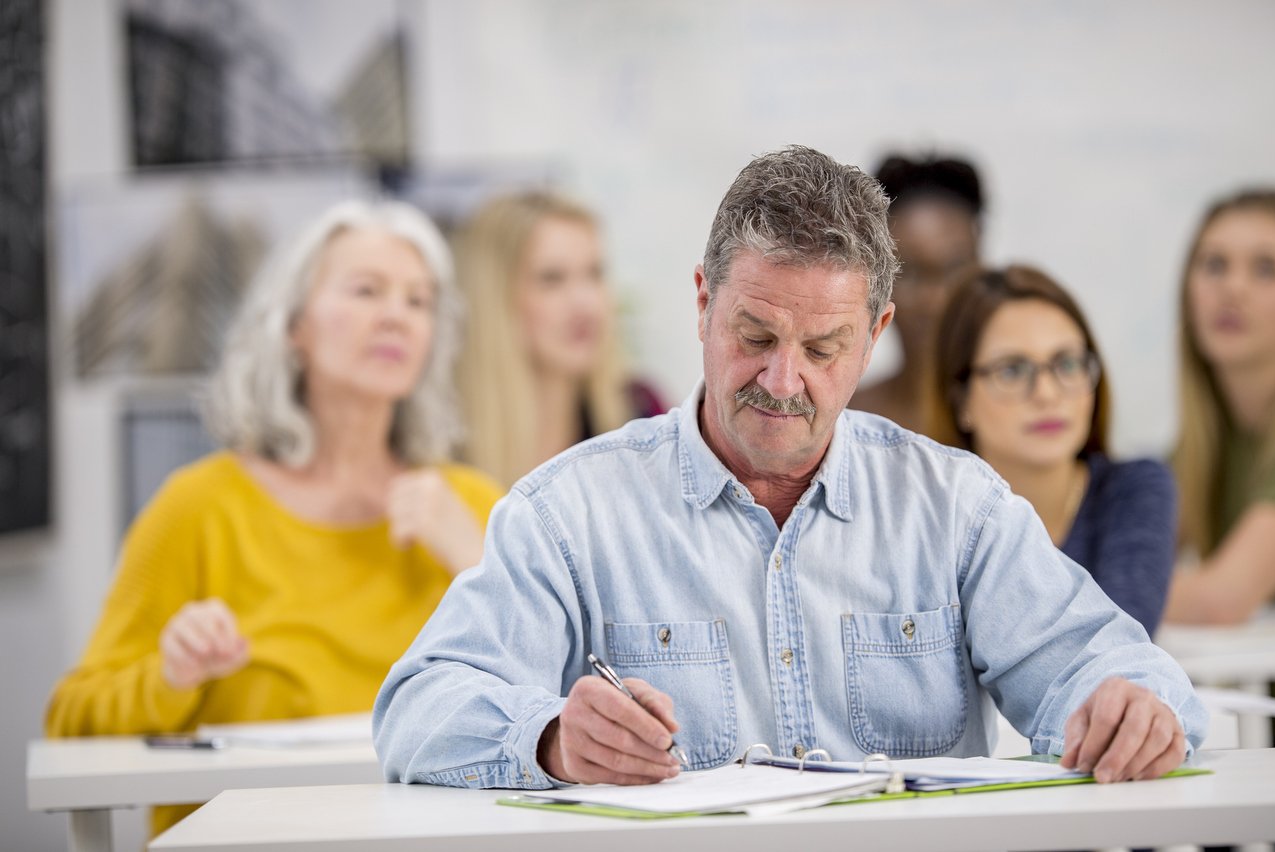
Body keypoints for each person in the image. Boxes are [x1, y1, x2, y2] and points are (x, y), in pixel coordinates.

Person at [374, 146, 1205, 793]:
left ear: (876, 332)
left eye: (822, 348)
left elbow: (1113, 668)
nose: (783, 381)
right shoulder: (571, 511)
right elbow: (420, 707)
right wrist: (552, 738)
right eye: (756, 337)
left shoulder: (957, 508)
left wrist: (1131, 705)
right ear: (702, 302)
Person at [46, 200, 503, 835]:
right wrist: (171, 676)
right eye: (367, 290)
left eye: (418, 301)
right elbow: (72, 717)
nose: (397, 315)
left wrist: (478, 562)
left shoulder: (475, 506)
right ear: (294, 326)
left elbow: (570, 712)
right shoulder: (199, 507)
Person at [928, 266, 1176, 636]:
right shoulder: (925, 512)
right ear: (961, 401)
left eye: (1067, 364)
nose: (1046, 393)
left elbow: (1117, 648)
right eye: (1011, 370)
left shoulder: (1133, 489)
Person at [454, 191, 666, 487]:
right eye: (552, 279)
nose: (586, 304)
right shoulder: (438, 442)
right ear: (494, 298)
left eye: (594, 274)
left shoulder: (644, 418)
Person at [1164, 189, 1275, 624]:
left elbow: (1221, 600)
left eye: (1266, 268)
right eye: (1215, 265)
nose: (1233, 288)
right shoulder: (1199, 446)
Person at [850, 153, 984, 432]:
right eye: (908, 273)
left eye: (954, 270)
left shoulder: (1019, 418)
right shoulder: (846, 419)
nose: (933, 300)